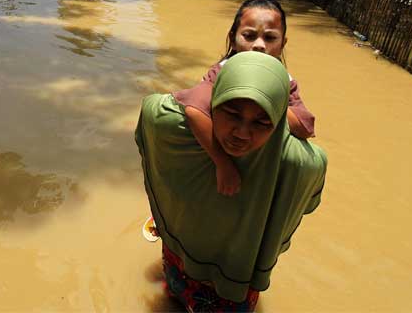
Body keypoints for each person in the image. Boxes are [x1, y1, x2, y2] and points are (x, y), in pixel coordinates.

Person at [135, 51, 327, 311]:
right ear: (212, 103)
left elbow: (154, 110)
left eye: (261, 122)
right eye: (232, 114)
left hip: (192, 259)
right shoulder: (182, 130)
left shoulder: (294, 161)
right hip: (225, 273)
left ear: (279, 121)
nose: (242, 133)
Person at [174, 0, 315, 197]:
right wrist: (223, 164)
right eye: (249, 36)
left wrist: (270, 106)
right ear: (232, 39)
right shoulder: (221, 74)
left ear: (282, 44)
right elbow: (195, 110)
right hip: (217, 167)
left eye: (269, 38)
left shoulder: (286, 83)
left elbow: (305, 126)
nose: (259, 45)